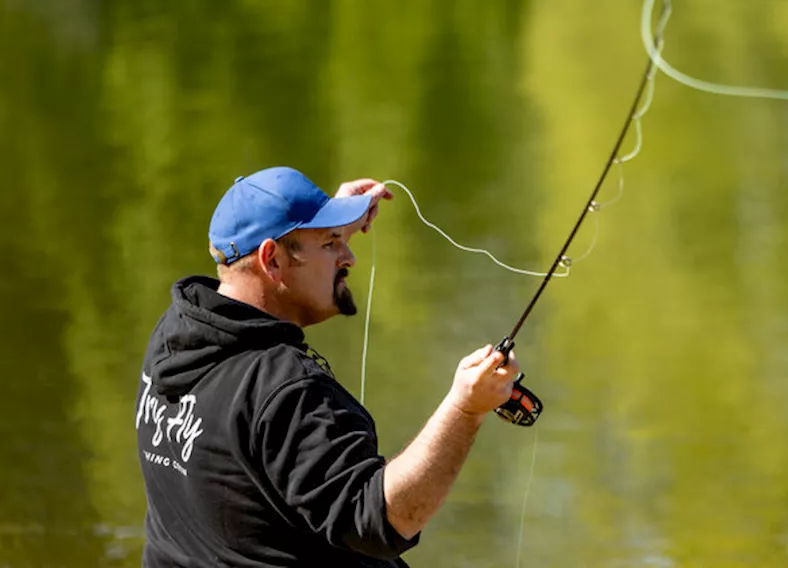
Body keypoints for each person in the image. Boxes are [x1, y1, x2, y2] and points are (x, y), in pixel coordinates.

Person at [134, 166, 519, 567]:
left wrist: (329, 223)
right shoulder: (286, 390)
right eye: (331, 243)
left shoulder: (177, 333)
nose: (349, 256)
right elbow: (386, 520)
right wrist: (465, 409)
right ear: (272, 260)